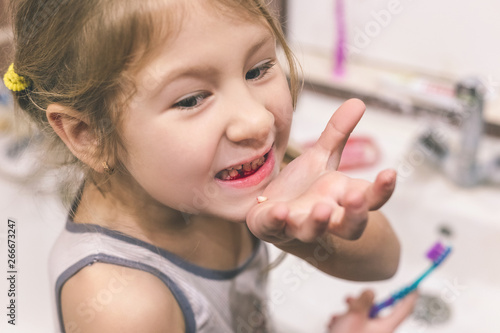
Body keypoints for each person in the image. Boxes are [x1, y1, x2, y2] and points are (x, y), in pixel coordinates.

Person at [4, 0, 416, 332]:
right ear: (87, 134)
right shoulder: (124, 306)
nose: (257, 120)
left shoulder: (226, 173)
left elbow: (386, 261)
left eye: (257, 69)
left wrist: (302, 236)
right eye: (190, 99)